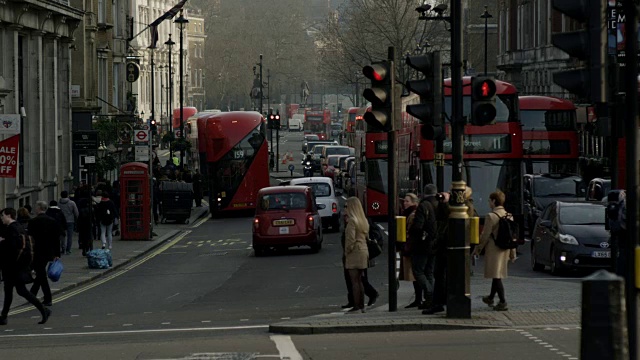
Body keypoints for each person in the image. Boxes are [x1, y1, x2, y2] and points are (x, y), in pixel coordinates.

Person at [0, 208, 51, 325]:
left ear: (9, 215)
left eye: (2, 215)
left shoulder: (12, 229)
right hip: (18, 266)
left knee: (17, 291)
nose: (1, 218)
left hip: (12, 266)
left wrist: (2, 242)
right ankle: (4, 316)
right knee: (16, 291)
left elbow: (12, 248)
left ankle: (44, 310)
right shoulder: (19, 227)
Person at [472, 189, 516, 311]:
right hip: (505, 249)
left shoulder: (491, 216)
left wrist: (478, 249)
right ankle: (490, 298)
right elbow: (511, 236)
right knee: (496, 274)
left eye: (489, 201)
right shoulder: (509, 215)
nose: (488, 203)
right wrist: (513, 253)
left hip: (494, 249)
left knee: (496, 276)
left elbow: (485, 236)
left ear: (494, 201)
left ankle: (502, 301)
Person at [409, 184, 438, 311]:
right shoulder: (439, 204)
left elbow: (418, 226)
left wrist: (411, 233)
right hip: (435, 243)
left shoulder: (423, 205)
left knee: (418, 271)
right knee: (429, 272)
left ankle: (430, 294)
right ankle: (430, 299)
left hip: (422, 244)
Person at [29, 201, 61, 306]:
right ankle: (32, 294)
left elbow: (30, 239)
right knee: (40, 273)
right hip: (50, 251)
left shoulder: (33, 221)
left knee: (41, 274)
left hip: (37, 251)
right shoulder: (53, 221)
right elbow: (57, 238)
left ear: (38, 208)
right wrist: (57, 253)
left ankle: (48, 298)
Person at [343, 197, 371, 313]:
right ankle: (362, 305)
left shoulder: (352, 221)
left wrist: (346, 252)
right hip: (364, 250)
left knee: (354, 281)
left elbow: (350, 240)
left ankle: (357, 305)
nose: (344, 209)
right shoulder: (363, 220)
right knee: (360, 280)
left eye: (346, 206)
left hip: (355, 252)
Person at [400, 193, 422, 308]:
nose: (405, 203)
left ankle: (420, 298)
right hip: (411, 247)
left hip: (412, 248)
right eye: (404, 201)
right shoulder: (408, 213)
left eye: (407, 201)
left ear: (414, 202)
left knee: (416, 274)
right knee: (415, 275)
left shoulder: (412, 215)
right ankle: (418, 298)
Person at [58, 190, 79, 255]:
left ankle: (63, 247)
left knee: (62, 235)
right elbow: (76, 212)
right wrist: (77, 218)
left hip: (61, 221)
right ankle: (68, 249)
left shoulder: (58, 203)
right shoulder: (72, 203)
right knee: (70, 236)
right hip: (70, 220)